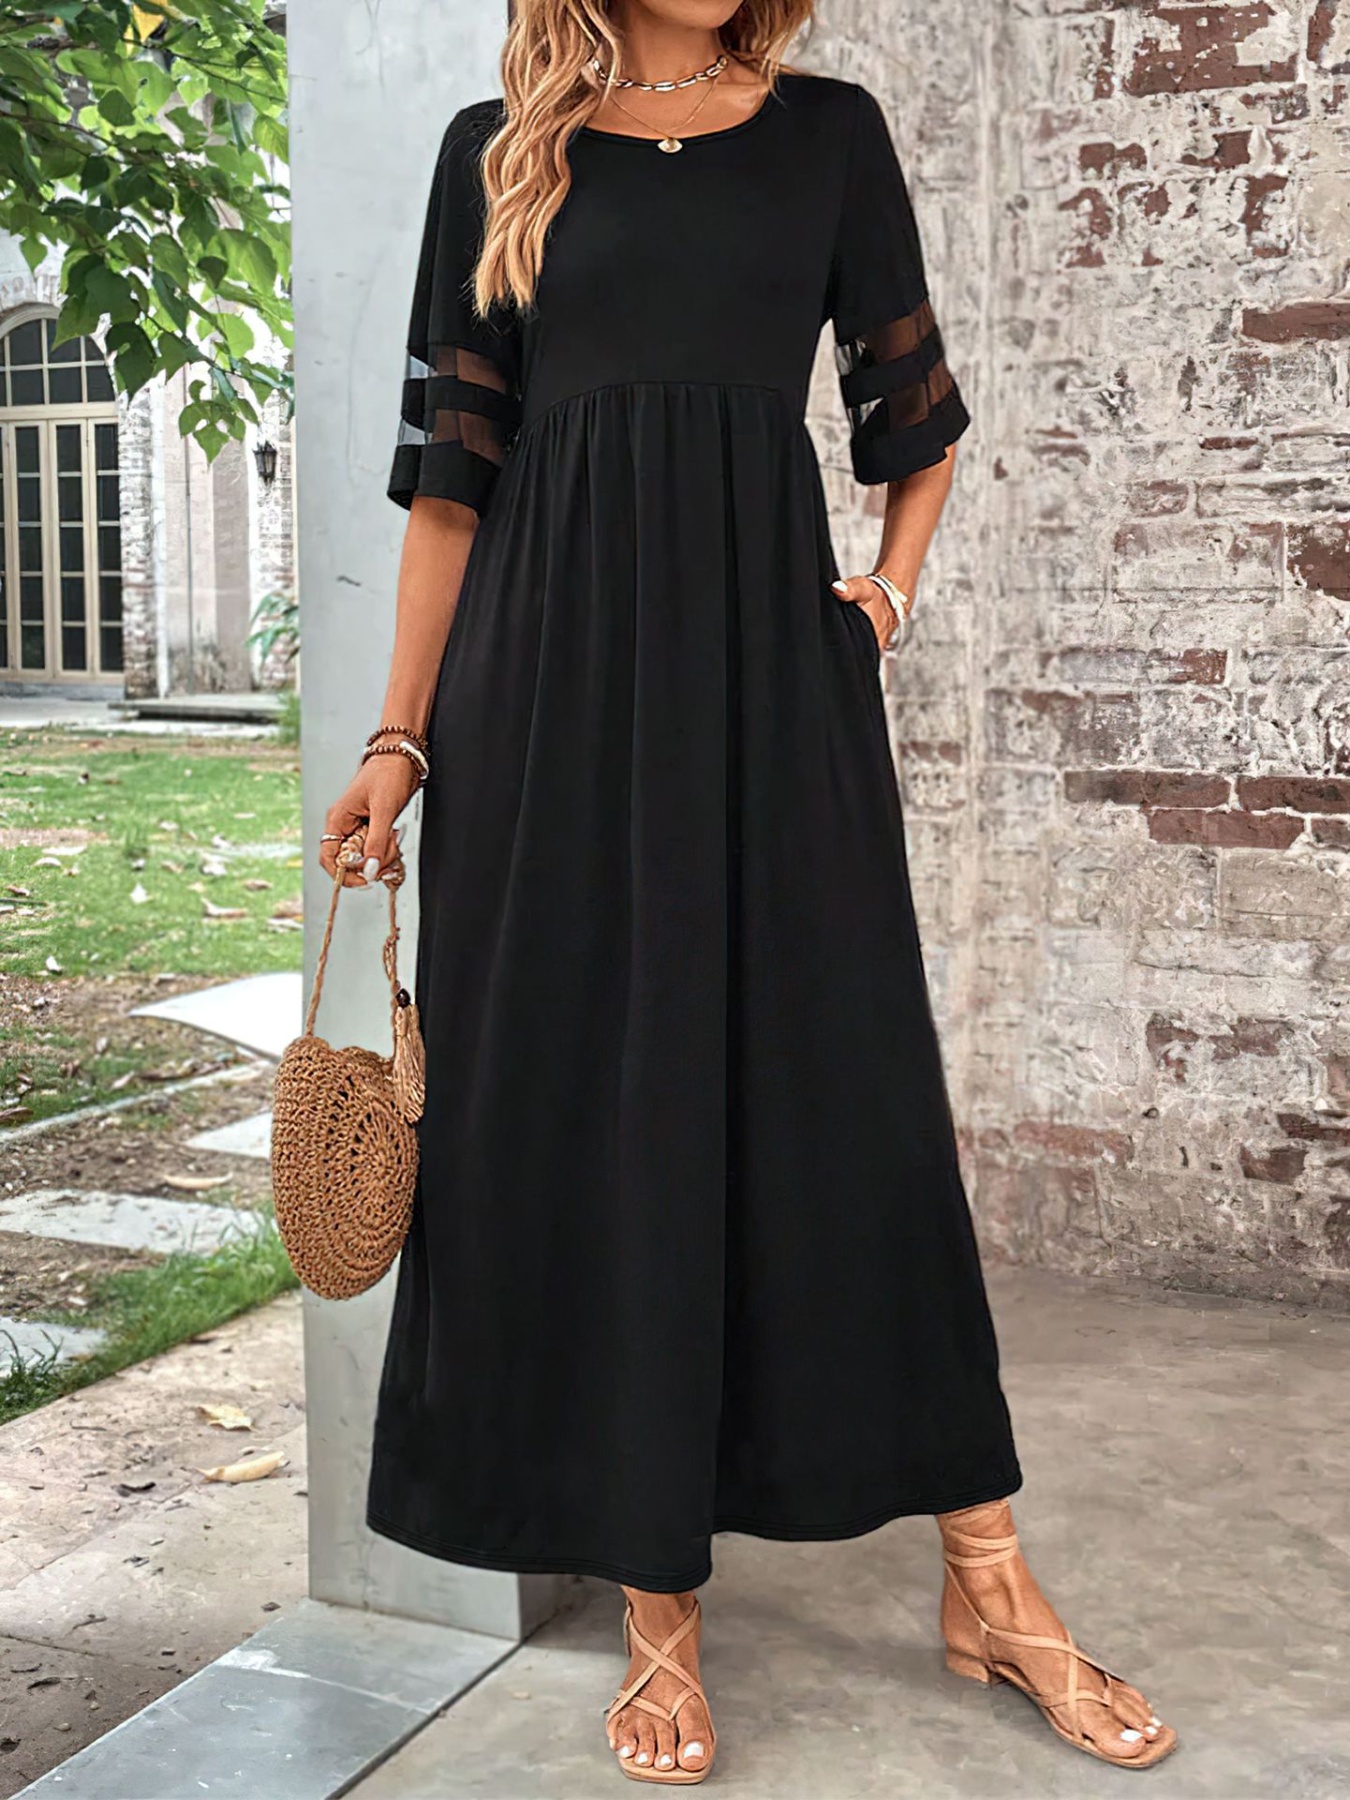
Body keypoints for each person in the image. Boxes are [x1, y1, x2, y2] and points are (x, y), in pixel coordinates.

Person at [319, 0, 1176, 1783]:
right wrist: (399, 737)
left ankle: (988, 1580)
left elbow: (913, 415)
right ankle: (660, 1606)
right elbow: (452, 490)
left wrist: (887, 593)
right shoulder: (497, 152)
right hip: (546, 695)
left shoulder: (826, 133)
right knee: (603, 1107)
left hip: (767, 683)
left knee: (849, 1100)